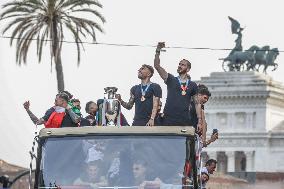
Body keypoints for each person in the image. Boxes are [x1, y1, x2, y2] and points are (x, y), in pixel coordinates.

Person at [154, 42, 202, 129]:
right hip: (168, 118)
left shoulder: (192, 85)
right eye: (179, 64)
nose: (179, 66)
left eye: (182, 65)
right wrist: (158, 50)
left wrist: (199, 121)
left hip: (184, 119)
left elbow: (197, 103)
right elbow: (157, 66)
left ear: (188, 69)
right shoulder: (171, 79)